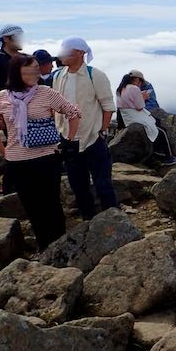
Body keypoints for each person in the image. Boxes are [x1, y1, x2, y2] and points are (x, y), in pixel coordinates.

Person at [0, 54, 81, 250]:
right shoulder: (2, 97)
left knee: (51, 204)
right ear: (16, 72)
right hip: (18, 162)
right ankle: (45, 247)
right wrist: (1, 148)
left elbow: (73, 113)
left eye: (36, 68)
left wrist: (68, 140)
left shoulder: (45, 92)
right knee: (32, 207)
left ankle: (59, 248)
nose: (34, 73)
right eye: (28, 69)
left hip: (46, 159)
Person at [52, 36, 118, 219]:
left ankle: (113, 220)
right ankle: (89, 220)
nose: (62, 56)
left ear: (80, 53)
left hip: (93, 137)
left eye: (66, 52)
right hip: (68, 138)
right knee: (78, 185)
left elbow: (107, 106)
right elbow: (55, 105)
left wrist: (102, 131)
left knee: (103, 183)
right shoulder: (58, 76)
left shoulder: (95, 75)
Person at [116, 73, 176, 165]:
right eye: (140, 82)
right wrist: (143, 98)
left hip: (127, 117)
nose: (140, 84)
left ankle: (159, 153)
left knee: (156, 123)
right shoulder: (134, 88)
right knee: (161, 131)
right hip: (136, 116)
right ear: (137, 80)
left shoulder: (121, 89)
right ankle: (169, 158)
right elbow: (140, 107)